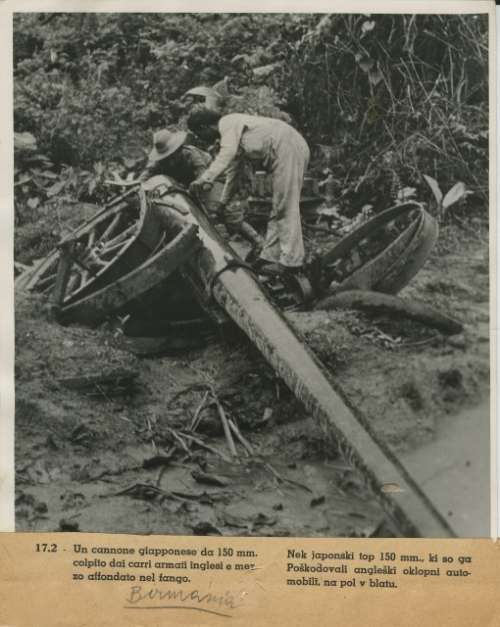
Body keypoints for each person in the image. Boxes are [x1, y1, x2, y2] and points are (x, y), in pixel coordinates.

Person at [187, 108, 310, 273]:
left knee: (286, 206)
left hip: (288, 147)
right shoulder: (233, 137)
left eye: (199, 134)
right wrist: (222, 203)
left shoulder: (228, 123)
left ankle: (292, 262)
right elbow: (234, 175)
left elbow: (226, 155)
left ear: (204, 127)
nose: (201, 139)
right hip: (285, 151)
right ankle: (270, 256)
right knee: (278, 207)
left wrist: (204, 179)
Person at [139, 129, 211, 187]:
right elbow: (142, 179)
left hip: (209, 172)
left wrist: (198, 182)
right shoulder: (158, 162)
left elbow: (202, 172)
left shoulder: (190, 153)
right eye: (166, 158)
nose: (170, 162)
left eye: (172, 156)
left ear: (179, 150)